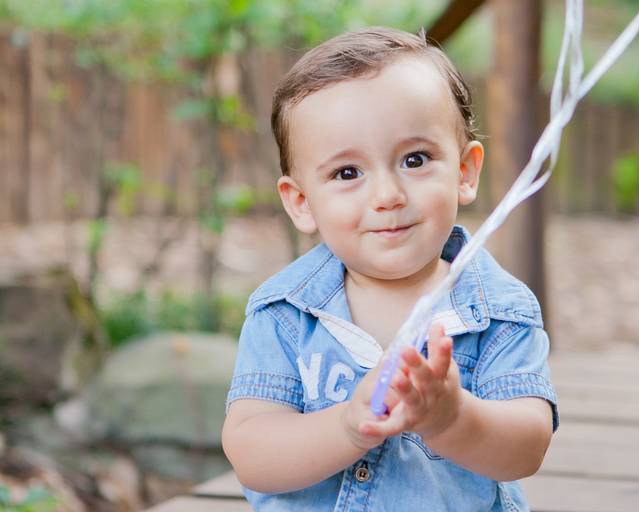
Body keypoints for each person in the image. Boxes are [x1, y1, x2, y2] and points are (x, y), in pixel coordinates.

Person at [221, 26, 558, 512]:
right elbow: (253, 453)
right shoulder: (284, 313)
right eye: (347, 173)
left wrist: (452, 418)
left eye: (415, 159)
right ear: (301, 203)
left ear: (465, 171)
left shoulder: (501, 311)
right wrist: (345, 428)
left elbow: (527, 448)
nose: (387, 196)